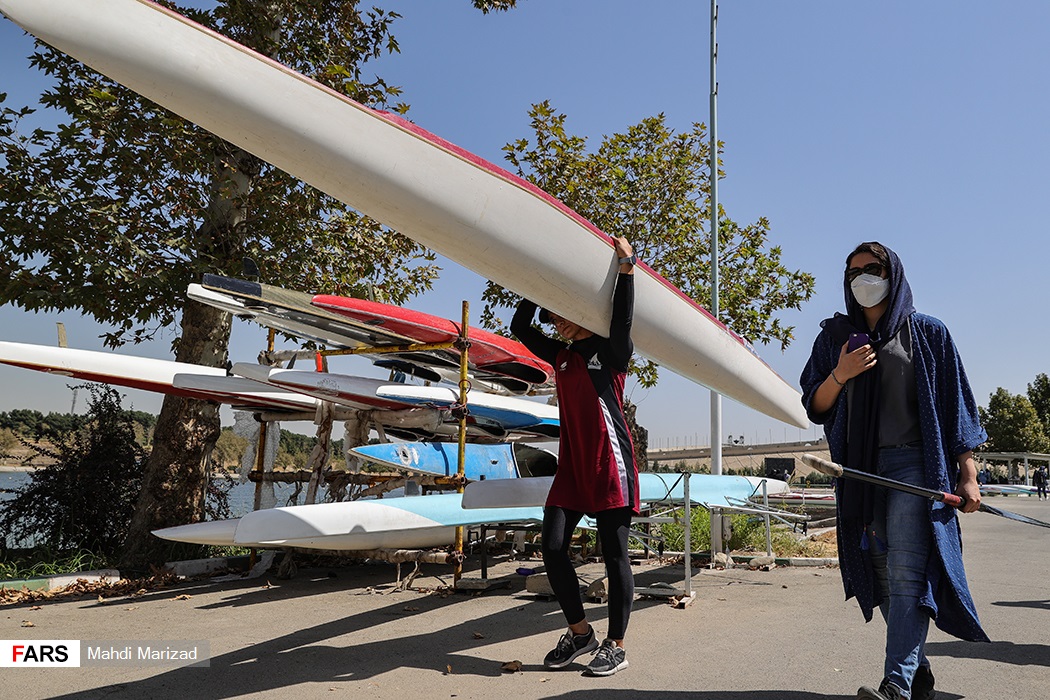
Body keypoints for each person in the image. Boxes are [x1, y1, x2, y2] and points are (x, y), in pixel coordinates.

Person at [800, 242, 989, 700]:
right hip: (860, 471)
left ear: (893, 274)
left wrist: (968, 474)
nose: (862, 278)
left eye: (872, 269)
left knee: (906, 571)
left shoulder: (928, 333)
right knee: (880, 572)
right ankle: (917, 672)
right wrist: (841, 373)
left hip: (915, 466)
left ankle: (896, 686)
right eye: (853, 273)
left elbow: (956, 407)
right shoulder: (834, 339)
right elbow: (815, 405)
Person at [510, 235, 639, 677]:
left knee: (615, 556)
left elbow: (622, 318)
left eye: (564, 314)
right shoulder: (560, 356)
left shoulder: (611, 350)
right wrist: (536, 285)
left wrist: (626, 271)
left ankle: (616, 645)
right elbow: (520, 326)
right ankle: (581, 633)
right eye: (553, 317)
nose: (558, 323)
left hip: (610, 465)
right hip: (572, 469)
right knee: (552, 547)